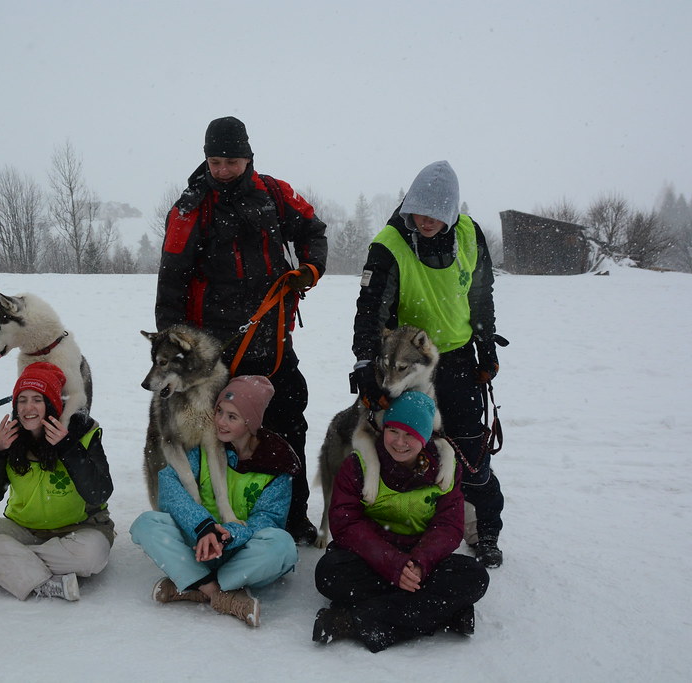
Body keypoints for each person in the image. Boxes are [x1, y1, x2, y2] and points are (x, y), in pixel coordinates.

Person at [155, 116, 328, 545]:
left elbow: (313, 230)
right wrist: (173, 347)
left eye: (231, 161)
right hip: (215, 350)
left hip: (273, 341)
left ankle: (292, 515)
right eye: (215, 162)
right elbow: (171, 279)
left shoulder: (275, 193)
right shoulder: (189, 207)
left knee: (289, 426)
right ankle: (214, 517)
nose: (223, 170)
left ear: (248, 158)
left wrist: (310, 269)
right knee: (218, 435)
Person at [351, 160, 506, 568]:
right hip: (407, 365)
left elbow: (481, 295)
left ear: (452, 213)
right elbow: (370, 310)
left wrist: (486, 347)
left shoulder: (471, 236)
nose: (426, 220)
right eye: (419, 210)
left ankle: (483, 528)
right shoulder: (389, 242)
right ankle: (395, 522)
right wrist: (366, 366)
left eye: (437, 213)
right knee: (401, 445)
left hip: (457, 358)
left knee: (470, 449)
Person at [313, 391, 489, 651]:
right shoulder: (358, 465)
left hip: (423, 562)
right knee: (329, 572)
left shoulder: (445, 468)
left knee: (474, 577)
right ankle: (445, 613)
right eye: (393, 431)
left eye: (410, 435)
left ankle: (350, 620)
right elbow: (345, 522)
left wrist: (418, 563)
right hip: (372, 558)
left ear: (425, 437)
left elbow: (449, 526)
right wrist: (392, 565)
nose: (399, 442)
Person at [130, 376, 299, 627]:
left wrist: (227, 535)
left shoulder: (276, 461)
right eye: (219, 411)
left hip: (241, 550)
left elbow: (267, 520)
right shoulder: (203, 446)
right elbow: (170, 485)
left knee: (282, 545)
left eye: (232, 417)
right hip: (200, 543)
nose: (220, 421)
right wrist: (203, 527)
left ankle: (192, 582)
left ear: (250, 422)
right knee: (146, 524)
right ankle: (218, 592)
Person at [0, 362, 113, 602]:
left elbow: (99, 493)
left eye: (37, 400)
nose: (28, 408)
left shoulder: (83, 433)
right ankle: (43, 582)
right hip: (25, 529)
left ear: (51, 404)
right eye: (22, 400)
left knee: (92, 555)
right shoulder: (9, 438)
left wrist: (68, 447)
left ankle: (6, 568)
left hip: (80, 529)